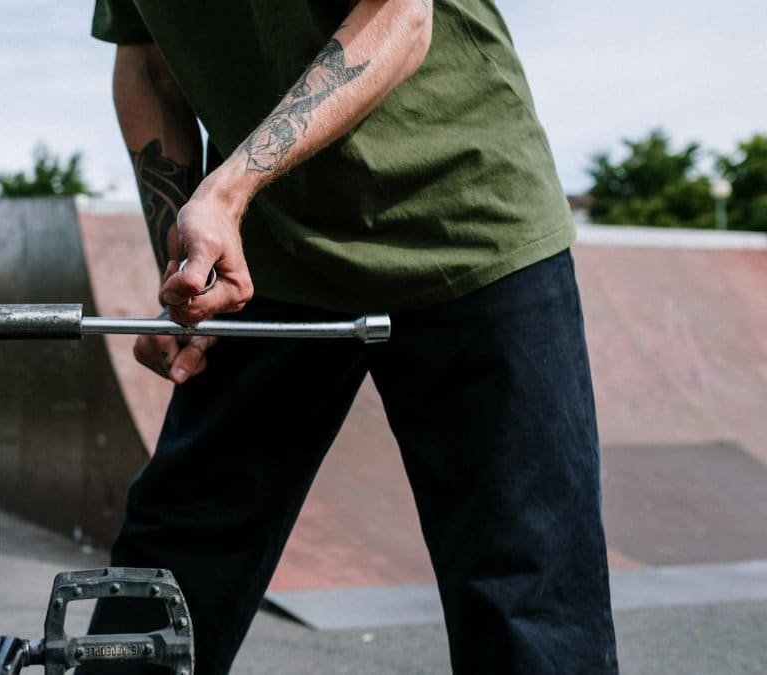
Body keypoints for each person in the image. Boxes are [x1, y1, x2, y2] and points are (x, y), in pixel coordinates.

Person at [84, 1, 618, 674]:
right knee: (175, 560)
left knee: (526, 594)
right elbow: (146, 65)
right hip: (267, 256)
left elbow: (401, 15)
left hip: (468, 225)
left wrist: (226, 192)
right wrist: (185, 268)